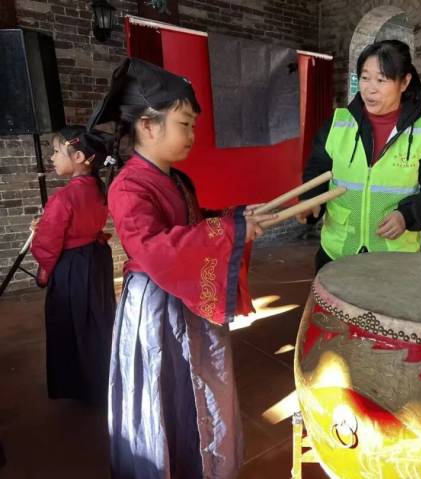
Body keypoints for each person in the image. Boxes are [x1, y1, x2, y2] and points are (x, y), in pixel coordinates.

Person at [88, 58, 276, 478]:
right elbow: (155, 247)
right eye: (184, 125)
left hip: (183, 296)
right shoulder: (129, 186)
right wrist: (230, 231)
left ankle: (198, 461)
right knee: (168, 388)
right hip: (157, 306)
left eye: (193, 125)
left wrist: (238, 218)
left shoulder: (174, 178)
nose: (192, 135)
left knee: (197, 384)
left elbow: (194, 223)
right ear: (148, 126)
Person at [297, 40, 421, 271]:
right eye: (365, 78)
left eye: (381, 80)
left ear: (404, 82)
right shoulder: (338, 123)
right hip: (337, 253)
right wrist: (311, 201)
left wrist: (407, 216)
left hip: (395, 260)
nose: (370, 89)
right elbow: (318, 171)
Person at [30, 126, 116, 406]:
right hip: (96, 259)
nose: (52, 157)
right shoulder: (101, 190)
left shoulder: (63, 198)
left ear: (79, 157)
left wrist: (43, 273)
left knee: (70, 320)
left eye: (56, 151)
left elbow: (47, 244)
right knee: (97, 320)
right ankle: (104, 380)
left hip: (72, 267)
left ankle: (78, 385)